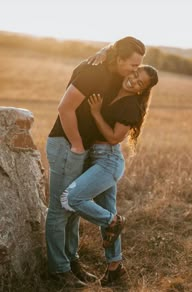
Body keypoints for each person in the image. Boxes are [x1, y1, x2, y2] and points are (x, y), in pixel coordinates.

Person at [46, 36, 146, 289]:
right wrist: (78, 144)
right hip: (67, 144)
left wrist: (104, 49)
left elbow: (115, 52)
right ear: (120, 59)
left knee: (71, 211)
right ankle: (59, 270)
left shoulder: (113, 73)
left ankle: (72, 261)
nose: (135, 71)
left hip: (83, 148)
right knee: (60, 209)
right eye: (133, 65)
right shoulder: (94, 72)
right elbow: (64, 108)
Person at [60, 65, 158, 287]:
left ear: (141, 90)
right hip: (96, 157)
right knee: (108, 208)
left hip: (108, 160)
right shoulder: (114, 89)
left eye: (139, 82)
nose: (133, 80)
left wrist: (95, 113)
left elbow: (114, 138)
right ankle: (115, 268)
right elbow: (110, 61)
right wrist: (101, 53)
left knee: (70, 199)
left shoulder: (131, 105)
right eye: (134, 74)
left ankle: (113, 222)